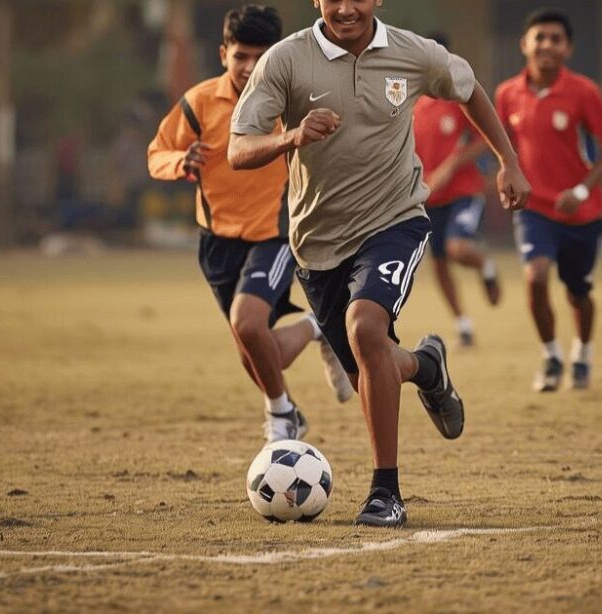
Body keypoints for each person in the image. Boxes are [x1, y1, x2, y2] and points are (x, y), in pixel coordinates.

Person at [229, 0, 530, 527]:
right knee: (371, 367)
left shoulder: (413, 52)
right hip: (317, 244)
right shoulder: (285, 59)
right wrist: (291, 136)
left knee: (366, 328)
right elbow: (238, 149)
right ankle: (426, 366)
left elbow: (469, 89)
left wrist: (508, 161)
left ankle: (385, 493)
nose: (346, 8)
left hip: (395, 220)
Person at [148, 5, 354, 445]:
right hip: (216, 243)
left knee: (247, 323)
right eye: (241, 56)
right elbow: (156, 153)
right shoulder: (199, 102)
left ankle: (281, 415)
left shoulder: (292, 100)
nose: (249, 67)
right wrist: (180, 162)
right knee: (255, 353)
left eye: (261, 57)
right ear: (223, 54)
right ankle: (317, 328)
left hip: (275, 235)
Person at [495, 10, 602, 392]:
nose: (547, 45)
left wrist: (581, 191)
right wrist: (505, 173)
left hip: (582, 213)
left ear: (568, 48)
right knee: (535, 278)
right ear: (525, 44)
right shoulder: (507, 94)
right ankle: (551, 357)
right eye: (540, 37)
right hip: (534, 208)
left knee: (578, 293)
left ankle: (582, 352)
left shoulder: (584, 92)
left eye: (555, 39)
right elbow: (503, 146)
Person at [413, 32, 501, 348]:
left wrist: (451, 165)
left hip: (464, 190)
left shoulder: (458, 96)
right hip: (428, 195)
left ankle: (486, 266)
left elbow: (483, 139)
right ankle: (462, 324)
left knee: (457, 248)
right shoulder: (411, 103)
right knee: (439, 262)